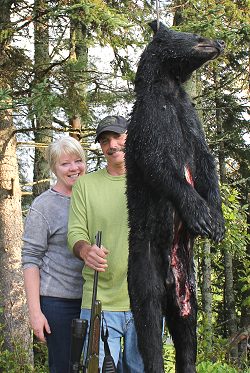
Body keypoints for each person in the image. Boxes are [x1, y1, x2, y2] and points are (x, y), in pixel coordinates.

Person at [67, 115, 144, 372]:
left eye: (118, 137)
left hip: (144, 300)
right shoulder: (85, 186)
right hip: (99, 300)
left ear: (130, 137)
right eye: (104, 141)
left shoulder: (150, 181)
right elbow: (75, 233)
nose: (112, 145)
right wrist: (85, 250)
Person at [22, 136, 86, 373]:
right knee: (64, 368)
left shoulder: (92, 197)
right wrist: (35, 313)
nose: (73, 168)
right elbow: (30, 259)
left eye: (78, 161)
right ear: (53, 168)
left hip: (96, 298)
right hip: (59, 304)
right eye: (65, 164)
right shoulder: (43, 206)